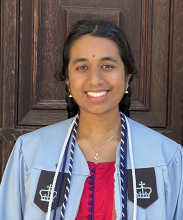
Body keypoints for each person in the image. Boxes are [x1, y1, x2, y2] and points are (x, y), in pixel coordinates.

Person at [0, 19, 182, 220]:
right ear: (68, 79)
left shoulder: (166, 157)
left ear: (127, 77)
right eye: (82, 67)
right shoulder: (31, 152)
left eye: (107, 65)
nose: (95, 79)